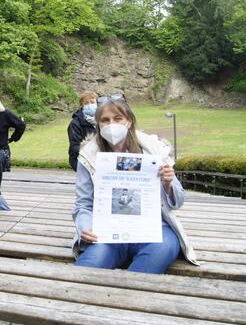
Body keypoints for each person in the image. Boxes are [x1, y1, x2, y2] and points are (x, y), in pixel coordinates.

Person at [71, 93, 199, 274]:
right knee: (88, 267)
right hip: (108, 232)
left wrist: (168, 184)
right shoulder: (88, 156)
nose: (111, 124)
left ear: (129, 121)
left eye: (117, 118)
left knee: (161, 250)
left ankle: (129, 294)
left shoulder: (153, 150)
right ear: (98, 125)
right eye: (105, 120)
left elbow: (178, 201)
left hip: (154, 229)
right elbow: (83, 204)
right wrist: (85, 227)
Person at [67, 92, 98, 172]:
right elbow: (75, 147)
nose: (90, 105)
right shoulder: (75, 124)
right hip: (82, 159)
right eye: (86, 103)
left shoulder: (103, 120)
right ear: (82, 106)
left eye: (92, 102)